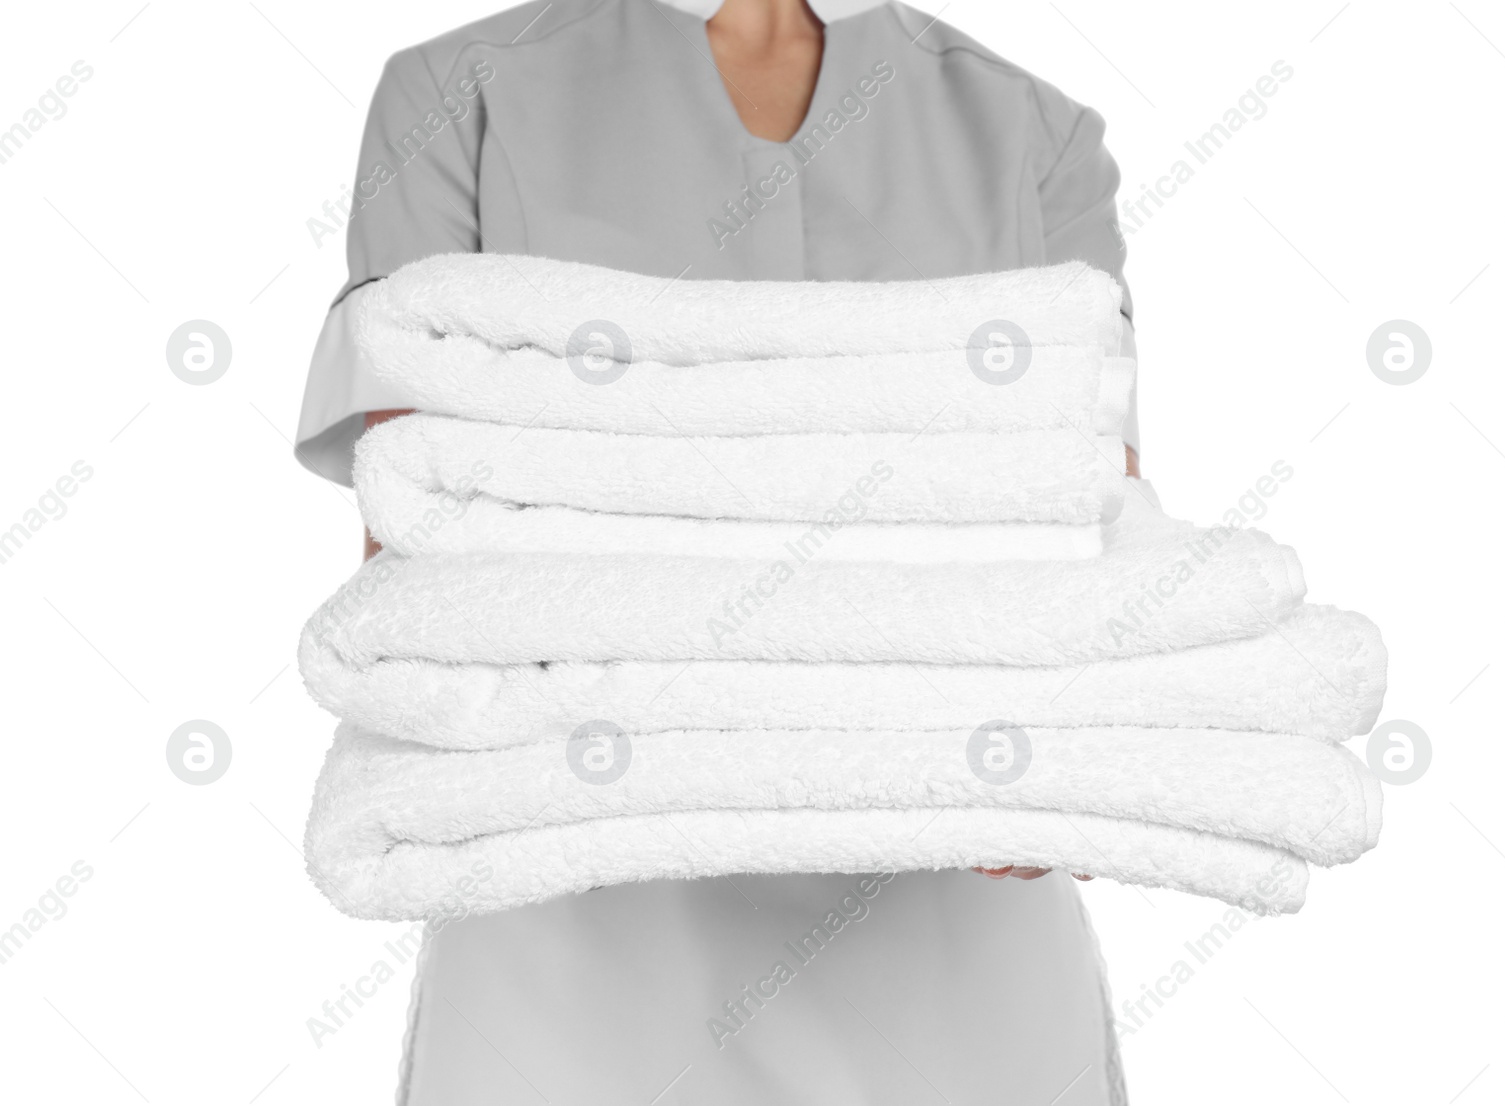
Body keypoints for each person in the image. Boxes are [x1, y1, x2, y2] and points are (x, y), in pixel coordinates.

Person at [296, 1, 1140, 1101]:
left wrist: (1074, 779)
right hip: (570, 943)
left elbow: (1101, 545)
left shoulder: (1034, 134)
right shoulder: (457, 98)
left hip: (957, 936)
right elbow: (418, 559)